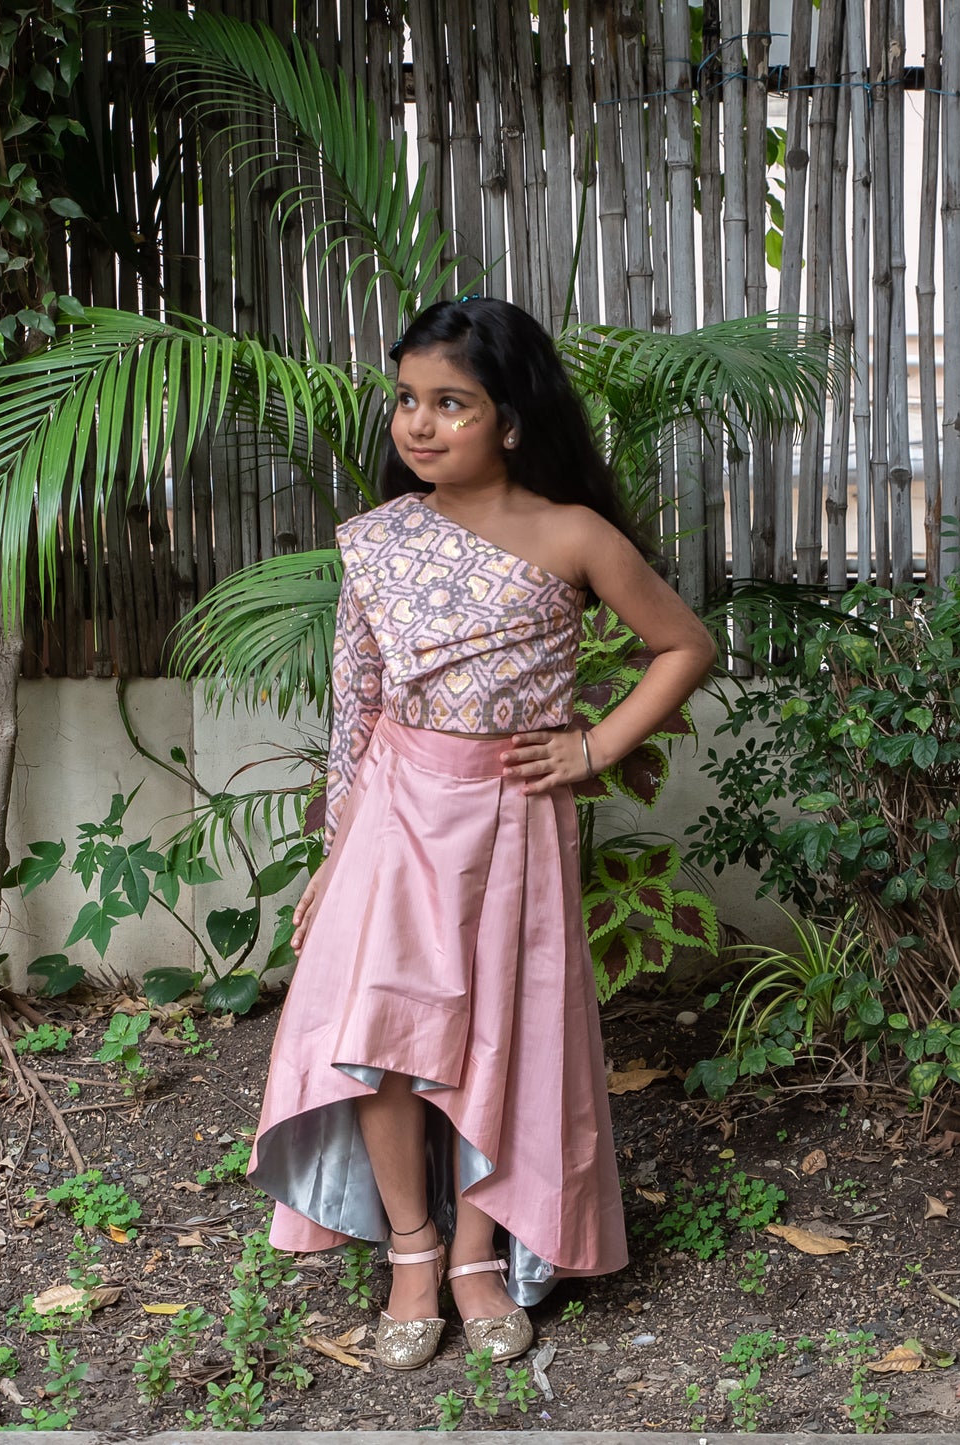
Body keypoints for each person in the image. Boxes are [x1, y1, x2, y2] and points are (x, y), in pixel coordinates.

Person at [247, 296, 715, 1371]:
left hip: (510, 826)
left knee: (497, 1040)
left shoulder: (572, 535)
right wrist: (335, 853)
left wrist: (592, 748)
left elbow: (681, 645)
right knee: (383, 1041)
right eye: (407, 400)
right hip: (395, 817)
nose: (418, 424)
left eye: (449, 403)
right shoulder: (374, 542)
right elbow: (353, 712)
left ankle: (475, 1253)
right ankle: (410, 1250)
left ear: (508, 419)